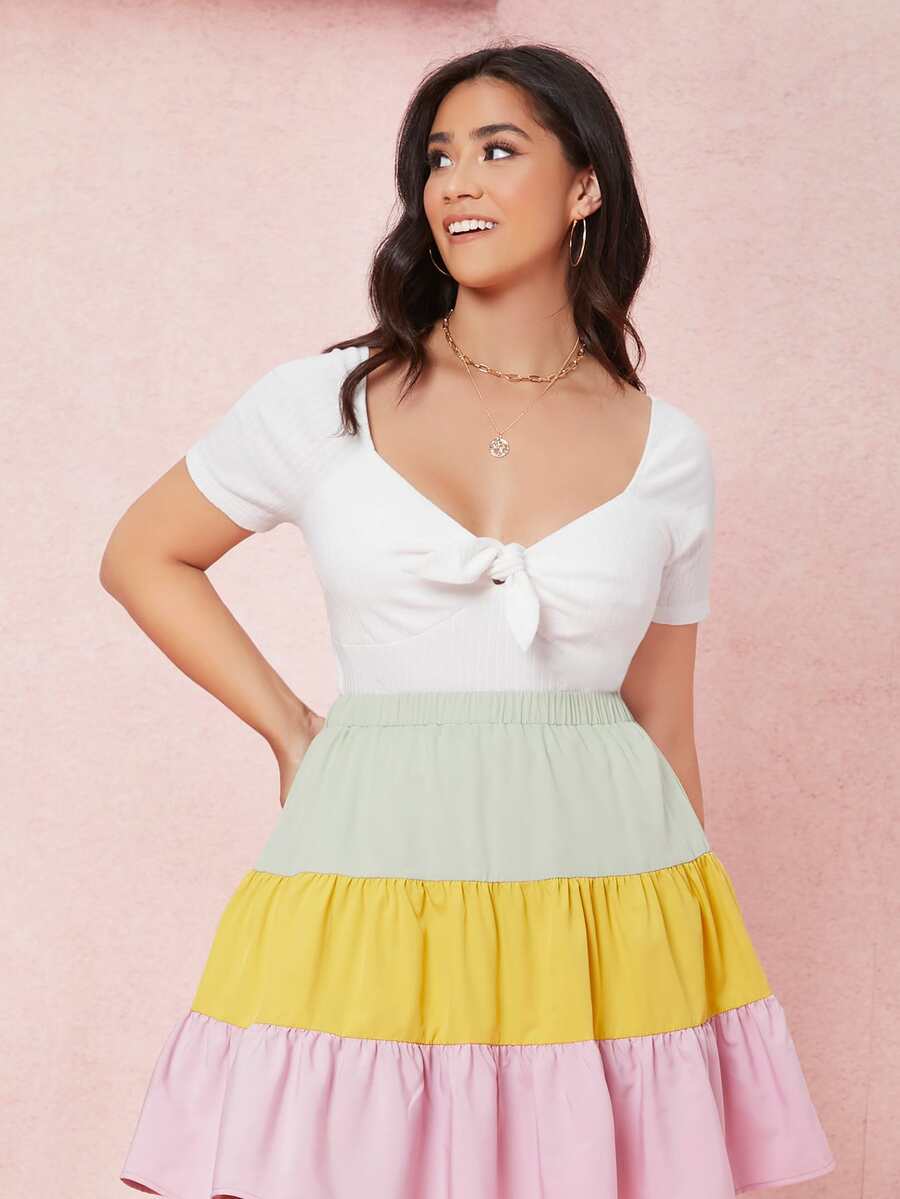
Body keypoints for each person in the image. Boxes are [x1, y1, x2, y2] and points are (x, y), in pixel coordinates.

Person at [103, 41, 836, 1199]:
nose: (456, 184)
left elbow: (663, 718)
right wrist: (291, 728)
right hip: (374, 859)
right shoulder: (321, 402)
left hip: (606, 881)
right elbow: (145, 553)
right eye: (438, 159)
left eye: (498, 150)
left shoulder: (669, 448)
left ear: (584, 185)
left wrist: (677, 959)